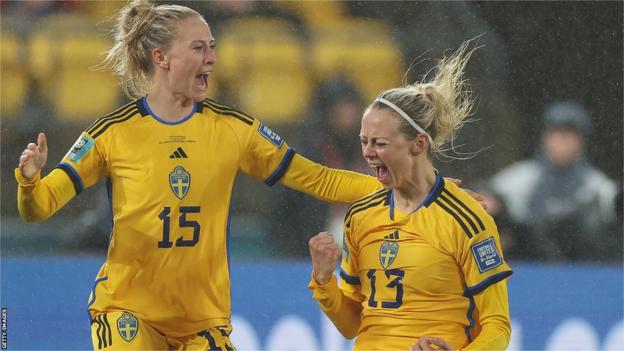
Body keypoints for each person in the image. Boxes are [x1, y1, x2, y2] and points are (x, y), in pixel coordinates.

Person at [15, 1, 383, 349]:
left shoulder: (233, 130)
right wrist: (29, 181)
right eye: (198, 48)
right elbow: (40, 207)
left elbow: (321, 179)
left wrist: (394, 185)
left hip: (202, 322)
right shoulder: (112, 133)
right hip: (127, 312)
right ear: (161, 58)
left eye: (212, 47)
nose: (212, 58)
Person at [308, 42, 512, 351]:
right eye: (364, 141)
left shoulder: (467, 218)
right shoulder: (360, 216)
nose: (367, 152)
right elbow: (351, 325)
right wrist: (324, 282)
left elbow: (497, 325)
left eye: (380, 143)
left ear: (418, 144)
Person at [488, 101, 619, 261]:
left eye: (570, 135)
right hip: (527, 272)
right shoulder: (519, 179)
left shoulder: (599, 186)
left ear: (582, 141)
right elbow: (485, 201)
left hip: (584, 275)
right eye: (556, 134)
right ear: (545, 138)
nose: (562, 142)